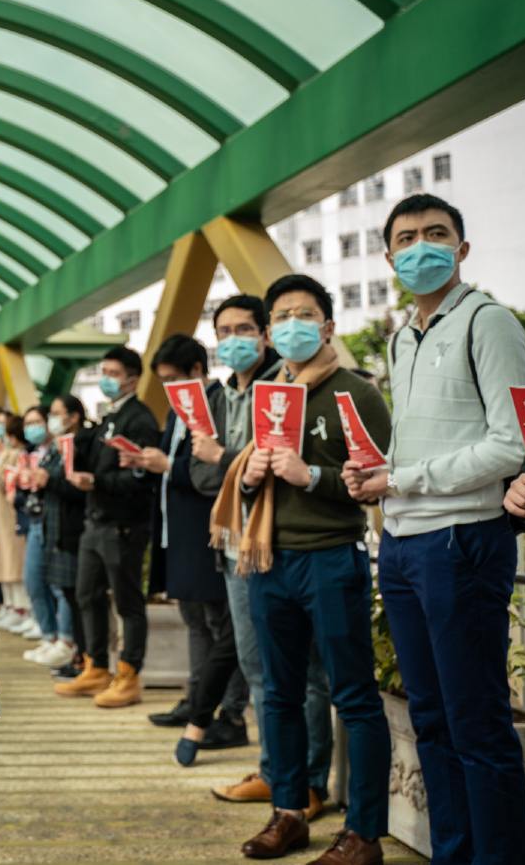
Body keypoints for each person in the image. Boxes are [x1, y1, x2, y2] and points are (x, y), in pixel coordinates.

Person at [344, 194, 525, 863]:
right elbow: (423, 448)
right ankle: (454, 851)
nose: (421, 247)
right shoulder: (401, 335)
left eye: (436, 234)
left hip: (461, 540)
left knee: (477, 723)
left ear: (462, 248)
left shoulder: (490, 323)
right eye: (407, 238)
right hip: (401, 545)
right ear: (390, 257)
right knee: (430, 720)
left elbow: (509, 447)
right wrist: (378, 474)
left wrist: (404, 479)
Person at [218, 275, 391, 864]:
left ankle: (364, 833)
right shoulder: (267, 394)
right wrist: (248, 477)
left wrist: (309, 475)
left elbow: (379, 483)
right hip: (269, 560)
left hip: (331, 558)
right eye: (282, 316)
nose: (293, 324)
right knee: (279, 694)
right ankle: (288, 811)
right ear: (270, 333)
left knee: (354, 695)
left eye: (305, 314)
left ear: (328, 326)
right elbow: (240, 477)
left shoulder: (355, 394)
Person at [192, 295, 333, 813]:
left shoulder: (285, 388)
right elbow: (201, 474)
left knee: (306, 673)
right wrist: (228, 462)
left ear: (265, 334)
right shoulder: (221, 394)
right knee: (258, 670)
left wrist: (223, 458)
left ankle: (311, 781)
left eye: (245, 328)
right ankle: (276, 772)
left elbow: (276, 466)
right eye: (224, 330)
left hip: (281, 543)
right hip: (235, 547)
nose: (235, 339)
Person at [131, 336, 249, 763]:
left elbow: (210, 470)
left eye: (174, 379)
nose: (169, 389)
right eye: (163, 382)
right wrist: (148, 464)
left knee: (223, 627)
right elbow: (173, 464)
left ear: (198, 370)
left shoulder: (216, 403)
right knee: (196, 620)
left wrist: (170, 467)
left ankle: (229, 711)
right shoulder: (177, 412)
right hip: (176, 530)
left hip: (207, 528)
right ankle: (196, 698)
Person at [55, 346, 160, 708]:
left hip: (123, 525)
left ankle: (129, 673)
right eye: (104, 371)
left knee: (128, 602)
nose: (106, 378)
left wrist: (96, 482)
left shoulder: (140, 419)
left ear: (132, 378)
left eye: (113, 372)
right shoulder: (110, 416)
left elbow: (140, 478)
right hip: (96, 521)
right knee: (87, 594)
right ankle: (96, 665)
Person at [40, 395, 91, 676]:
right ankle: (79, 655)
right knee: (70, 595)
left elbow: (79, 488)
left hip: (73, 530)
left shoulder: (81, 444)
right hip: (56, 528)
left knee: (77, 596)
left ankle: (84, 657)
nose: (53, 419)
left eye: (57, 413)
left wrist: (50, 481)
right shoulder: (56, 446)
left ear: (74, 416)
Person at [16, 405, 62, 659]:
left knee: (56, 584)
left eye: (36, 421)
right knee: (33, 581)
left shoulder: (59, 450)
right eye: (27, 423)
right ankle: (49, 635)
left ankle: (64, 641)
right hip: (35, 519)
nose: (31, 428)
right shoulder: (33, 454)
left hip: (54, 520)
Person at [0, 413, 28, 631]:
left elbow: (0, 476)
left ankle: (22, 609)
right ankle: (9, 606)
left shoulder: (16, 453)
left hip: (9, 513)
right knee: (1, 560)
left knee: (14, 561)